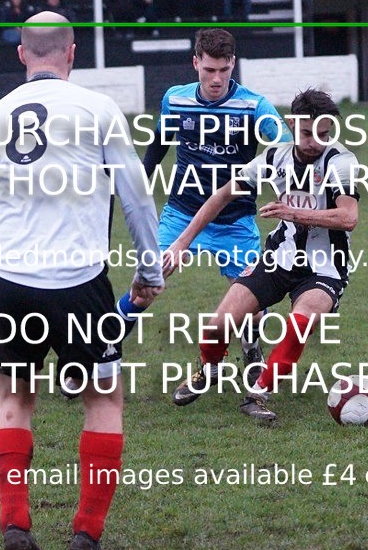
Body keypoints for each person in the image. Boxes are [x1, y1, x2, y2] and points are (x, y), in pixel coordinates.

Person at [0, 12, 164, 550]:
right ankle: (87, 535)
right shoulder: (98, 110)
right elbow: (137, 199)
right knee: (104, 400)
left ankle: (15, 521)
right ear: (72, 53)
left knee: (14, 399)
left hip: (8, 283)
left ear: (22, 55)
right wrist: (150, 272)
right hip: (79, 284)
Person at [101, 29, 292, 395]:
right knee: (145, 287)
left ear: (233, 63)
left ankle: (251, 351)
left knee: (253, 301)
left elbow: (282, 145)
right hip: (180, 214)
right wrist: (136, 192)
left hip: (235, 220)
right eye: (208, 70)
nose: (216, 78)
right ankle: (102, 349)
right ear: (195, 63)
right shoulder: (176, 99)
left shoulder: (254, 106)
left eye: (223, 69)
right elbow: (157, 146)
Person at [164, 89, 360, 423]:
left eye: (324, 134)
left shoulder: (341, 161)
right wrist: (182, 241)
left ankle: (258, 393)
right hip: (278, 259)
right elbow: (221, 196)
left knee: (300, 323)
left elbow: (348, 217)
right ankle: (209, 369)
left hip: (325, 268)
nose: (315, 142)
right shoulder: (275, 158)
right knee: (215, 328)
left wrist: (294, 213)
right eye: (307, 133)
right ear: (292, 124)